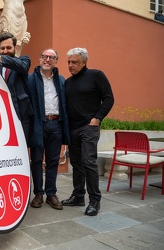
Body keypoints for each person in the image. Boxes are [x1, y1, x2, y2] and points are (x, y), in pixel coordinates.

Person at [61, 47, 114, 216]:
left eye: (74, 62)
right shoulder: (68, 82)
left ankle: (94, 200)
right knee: (76, 163)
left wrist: (97, 118)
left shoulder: (96, 75)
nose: (70, 65)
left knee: (88, 161)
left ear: (84, 62)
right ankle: (78, 196)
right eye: (69, 62)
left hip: (88, 127)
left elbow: (109, 99)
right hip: (73, 128)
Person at [27, 49, 70, 210]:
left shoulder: (61, 80)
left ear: (56, 61)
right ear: (39, 59)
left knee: (53, 161)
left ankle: (51, 193)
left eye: (51, 58)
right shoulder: (30, 79)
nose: (47, 60)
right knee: (37, 160)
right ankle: (38, 193)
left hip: (56, 124)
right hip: (38, 123)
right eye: (45, 56)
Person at [0, 32, 33, 142]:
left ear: (15, 47)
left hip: (21, 116)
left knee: (21, 149)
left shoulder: (24, 61)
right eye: (2, 48)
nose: (5, 51)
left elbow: (21, 67)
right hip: (1, 117)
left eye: (9, 48)